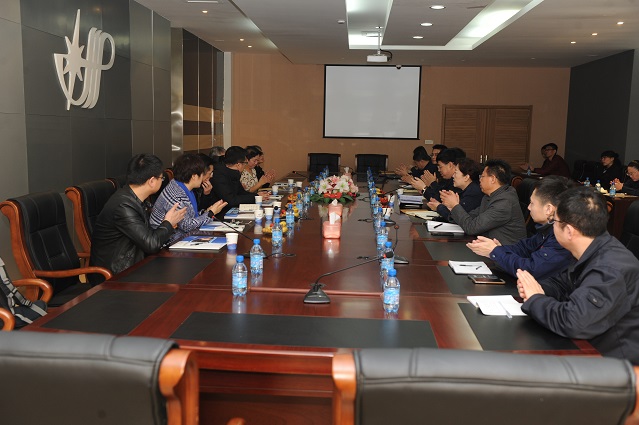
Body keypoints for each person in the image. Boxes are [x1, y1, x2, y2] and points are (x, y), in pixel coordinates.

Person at [517, 186, 639, 364]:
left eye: (554, 221)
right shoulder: (593, 248)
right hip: (589, 346)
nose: (552, 226)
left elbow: (573, 322)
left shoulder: (610, 268)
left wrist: (535, 299)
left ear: (569, 231)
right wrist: (537, 288)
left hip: (612, 363)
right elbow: (563, 283)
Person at [89, 154, 187, 284]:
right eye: (161, 178)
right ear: (152, 181)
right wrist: (168, 223)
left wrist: (168, 224)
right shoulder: (123, 206)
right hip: (116, 275)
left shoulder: (134, 198)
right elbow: (151, 244)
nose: (162, 181)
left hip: (135, 265)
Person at [467, 176, 574, 279]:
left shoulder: (562, 237)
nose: (528, 207)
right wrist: (497, 249)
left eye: (532, 203)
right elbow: (524, 248)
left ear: (549, 209)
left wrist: (495, 252)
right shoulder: (547, 229)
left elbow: (531, 269)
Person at [442, 159, 526, 245]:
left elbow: (472, 228)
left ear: (492, 179)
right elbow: (471, 217)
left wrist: (455, 205)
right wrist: (453, 207)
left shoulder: (504, 202)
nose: (480, 180)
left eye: (482, 176)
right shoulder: (489, 196)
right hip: (489, 246)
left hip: (506, 250)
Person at [150, 153, 227, 244]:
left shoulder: (181, 186)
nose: (204, 177)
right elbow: (186, 226)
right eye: (202, 174)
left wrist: (206, 212)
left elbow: (190, 216)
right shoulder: (177, 194)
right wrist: (210, 213)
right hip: (168, 243)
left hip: (180, 237)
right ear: (194, 176)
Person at [211, 146, 269, 217]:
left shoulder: (233, 173)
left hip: (231, 210)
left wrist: (257, 196)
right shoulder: (219, 175)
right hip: (220, 214)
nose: (245, 166)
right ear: (238, 165)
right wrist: (255, 197)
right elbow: (230, 200)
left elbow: (241, 192)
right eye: (245, 163)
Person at [426, 157, 483, 222]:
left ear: (466, 177)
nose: (453, 176)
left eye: (455, 172)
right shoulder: (467, 190)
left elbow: (455, 217)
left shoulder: (473, 193)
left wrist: (438, 207)